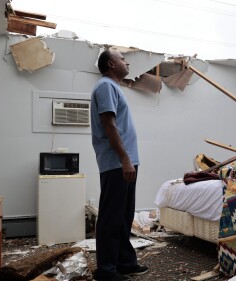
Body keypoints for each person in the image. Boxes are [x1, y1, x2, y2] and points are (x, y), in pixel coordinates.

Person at [90, 49, 148, 281]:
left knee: (124, 216)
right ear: (111, 64)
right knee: (111, 218)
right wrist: (124, 159)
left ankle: (124, 263)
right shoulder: (105, 86)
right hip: (117, 163)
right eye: (122, 59)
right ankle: (106, 271)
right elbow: (109, 125)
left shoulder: (113, 87)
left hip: (126, 162)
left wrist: (129, 160)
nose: (127, 62)